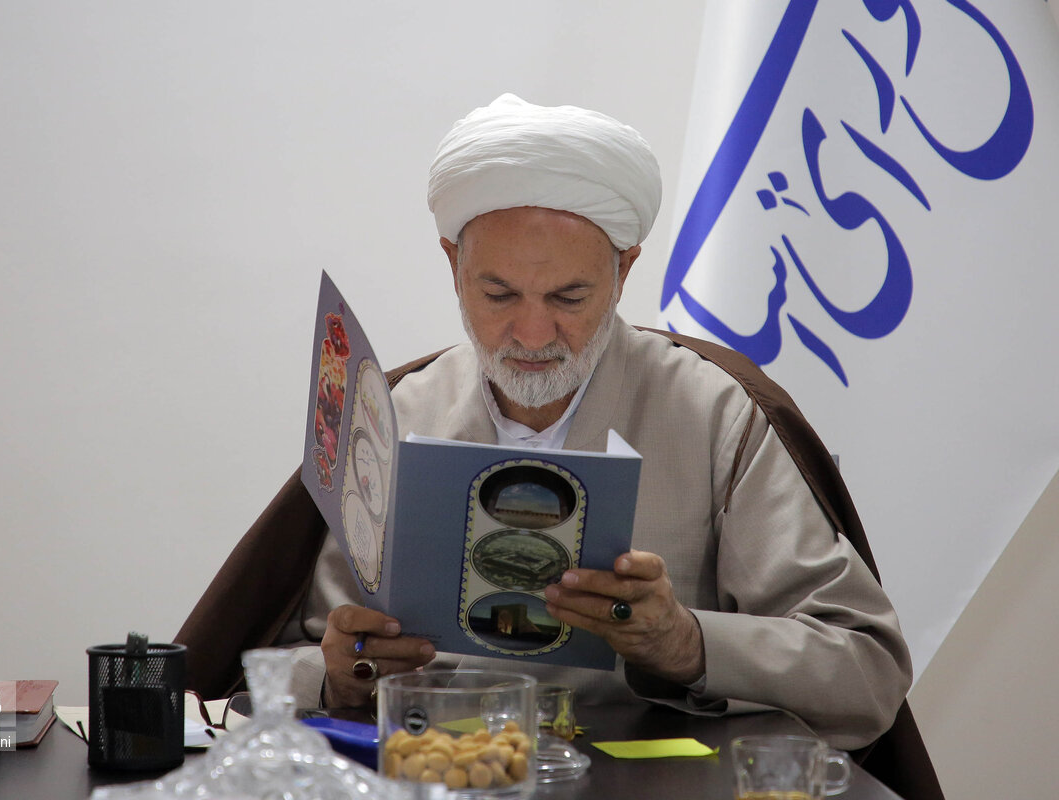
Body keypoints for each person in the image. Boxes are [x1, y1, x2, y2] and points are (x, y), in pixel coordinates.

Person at [176, 95, 939, 798]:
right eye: (498, 294)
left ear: (624, 269)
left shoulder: (713, 414)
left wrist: (686, 643)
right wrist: (342, 674)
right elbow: (286, 669)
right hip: (437, 778)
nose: (533, 332)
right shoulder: (396, 415)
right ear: (452, 263)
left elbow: (866, 672)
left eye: (569, 297)